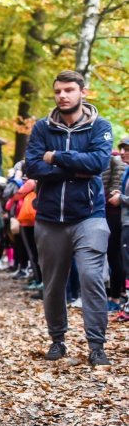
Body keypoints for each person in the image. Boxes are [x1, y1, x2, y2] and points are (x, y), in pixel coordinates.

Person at [26, 70, 113, 366]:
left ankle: (97, 345)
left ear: (83, 92)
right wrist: (74, 166)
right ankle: (57, 340)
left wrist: (56, 157)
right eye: (58, 91)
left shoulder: (99, 126)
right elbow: (32, 167)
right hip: (49, 218)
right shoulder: (42, 128)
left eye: (69, 90)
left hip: (90, 216)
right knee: (53, 283)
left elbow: (99, 163)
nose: (63, 95)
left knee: (92, 277)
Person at [110, 137, 129, 322]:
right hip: (125, 222)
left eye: (127, 149)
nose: (122, 152)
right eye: (121, 148)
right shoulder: (127, 170)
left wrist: (120, 198)